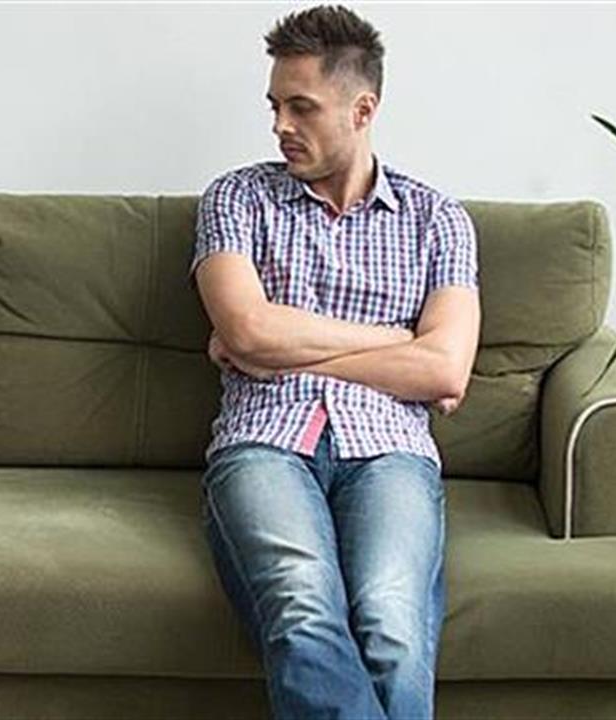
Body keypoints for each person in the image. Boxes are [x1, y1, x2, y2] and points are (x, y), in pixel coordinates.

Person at [192, 6, 480, 719]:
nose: (280, 125)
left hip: (391, 451)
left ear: (362, 110)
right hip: (265, 443)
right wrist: (396, 339)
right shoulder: (236, 199)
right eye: (274, 106)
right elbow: (248, 330)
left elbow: (445, 370)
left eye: (301, 107)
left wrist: (282, 344)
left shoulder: (438, 221)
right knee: (302, 608)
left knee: (392, 628)